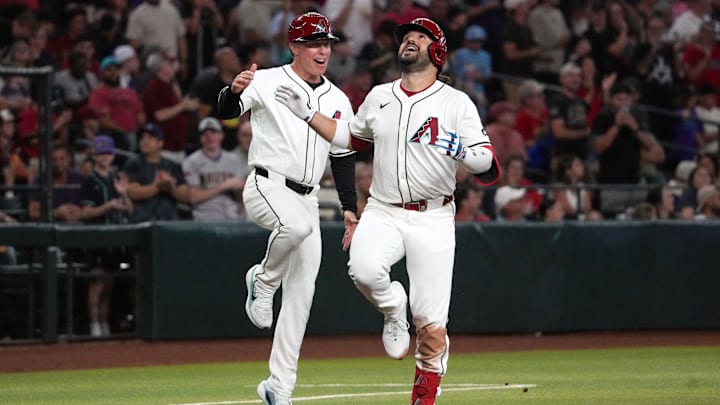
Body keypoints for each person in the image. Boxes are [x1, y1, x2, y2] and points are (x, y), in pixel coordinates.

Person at [274, 17, 499, 405]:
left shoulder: (455, 102)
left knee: (431, 327)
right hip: (383, 209)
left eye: (420, 37)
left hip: (433, 216)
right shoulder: (380, 95)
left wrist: (452, 144)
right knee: (362, 269)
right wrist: (308, 114)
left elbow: (487, 163)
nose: (409, 41)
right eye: (405, 37)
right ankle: (395, 310)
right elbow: (351, 138)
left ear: (438, 51)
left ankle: (423, 398)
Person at [215, 12, 358, 405]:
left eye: (326, 43)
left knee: (301, 294)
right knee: (296, 228)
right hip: (266, 183)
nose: (322, 50)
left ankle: (278, 388)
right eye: (314, 43)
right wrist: (233, 88)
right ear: (294, 46)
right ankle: (262, 280)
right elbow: (227, 114)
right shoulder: (267, 79)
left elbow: (344, 155)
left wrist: (350, 208)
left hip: (308, 196)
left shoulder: (338, 98)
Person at [79, 135, 133, 337]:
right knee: (97, 283)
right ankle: (94, 325)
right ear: (94, 155)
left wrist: (124, 194)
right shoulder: (89, 181)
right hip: (96, 239)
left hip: (115, 240)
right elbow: (84, 213)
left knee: (108, 285)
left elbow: (129, 210)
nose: (104, 157)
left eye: (108, 153)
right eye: (101, 153)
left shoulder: (115, 179)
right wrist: (108, 206)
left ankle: (104, 324)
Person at [182, 117, 246, 222]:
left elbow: (242, 195)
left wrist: (241, 188)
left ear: (221, 135)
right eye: (205, 134)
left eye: (213, 132)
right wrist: (223, 186)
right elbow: (193, 197)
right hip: (206, 218)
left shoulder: (234, 160)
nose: (210, 137)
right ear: (200, 138)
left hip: (234, 217)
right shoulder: (191, 162)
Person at [123, 123, 190, 222]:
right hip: (142, 222)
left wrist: (171, 188)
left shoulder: (173, 166)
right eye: (142, 138)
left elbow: (185, 197)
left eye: (150, 138)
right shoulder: (133, 164)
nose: (145, 141)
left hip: (169, 222)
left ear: (160, 143)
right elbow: (133, 193)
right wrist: (157, 185)